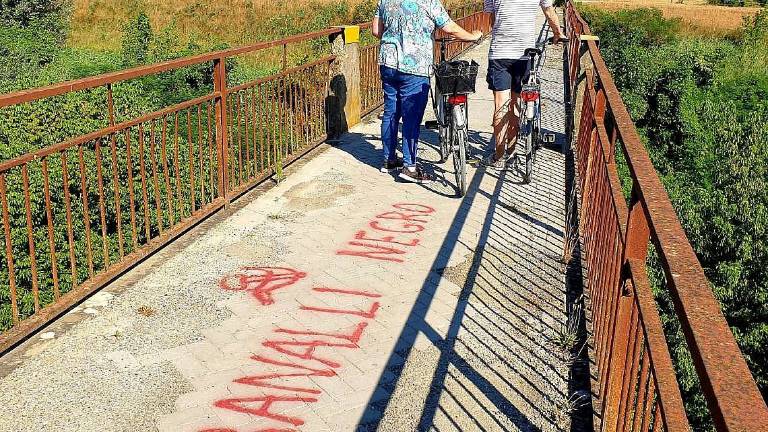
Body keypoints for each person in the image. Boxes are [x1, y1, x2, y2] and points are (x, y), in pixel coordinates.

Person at [372, 0, 482, 183]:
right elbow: (450, 28)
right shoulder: (429, 2)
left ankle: (389, 160)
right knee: (412, 117)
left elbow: (376, 31)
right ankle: (410, 167)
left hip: (388, 62)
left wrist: (397, 38)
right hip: (414, 66)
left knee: (391, 112)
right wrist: (472, 36)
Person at [481, 0, 564, 169]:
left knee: (500, 106)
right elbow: (549, 11)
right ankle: (511, 152)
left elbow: (492, 19)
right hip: (525, 53)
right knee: (516, 104)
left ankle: (499, 156)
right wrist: (558, 33)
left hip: (499, 53)